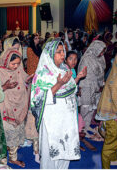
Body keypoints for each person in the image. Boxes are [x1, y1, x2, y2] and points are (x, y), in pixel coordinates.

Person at [31, 38, 86, 169]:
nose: (63, 55)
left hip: (67, 120)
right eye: (59, 52)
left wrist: (77, 77)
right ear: (50, 54)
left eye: (63, 51)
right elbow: (38, 99)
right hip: (52, 120)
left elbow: (71, 89)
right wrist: (59, 84)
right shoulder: (42, 74)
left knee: (65, 150)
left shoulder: (64, 69)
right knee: (51, 151)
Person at [0, 48, 33, 167]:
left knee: (15, 134)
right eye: (13, 64)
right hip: (5, 108)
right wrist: (5, 86)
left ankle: (13, 158)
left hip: (18, 108)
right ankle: (2, 162)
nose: (15, 66)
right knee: (5, 136)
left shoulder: (19, 70)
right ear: (6, 61)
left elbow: (25, 79)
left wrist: (29, 79)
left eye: (17, 63)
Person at [78, 40, 106, 140]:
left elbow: (102, 73)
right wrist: (80, 88)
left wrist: (101, 83)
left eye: (103, 51)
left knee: (92, 108)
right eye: (101, 51)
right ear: (96, 49)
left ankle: (87, 125)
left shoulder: (100, 58)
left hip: (97, 86)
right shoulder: (86, 58)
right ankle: (81, 128)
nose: (102, 53)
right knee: (85, 108)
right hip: (86, 85)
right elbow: (81, 73)